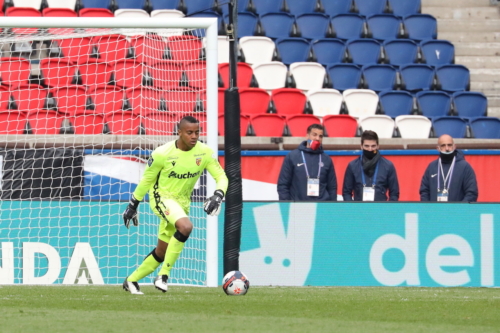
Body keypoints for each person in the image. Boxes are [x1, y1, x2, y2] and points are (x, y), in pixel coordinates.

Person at [122, 116, 228, 294]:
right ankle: (163, 276)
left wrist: (218, 195)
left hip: (182, 203)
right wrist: (133, 204)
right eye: (189, 132)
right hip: (161, 198)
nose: (194, 136)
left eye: (197, 132)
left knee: (162, 252)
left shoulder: (204, 152)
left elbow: (221, 177)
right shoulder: (162, 153)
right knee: (186, 226)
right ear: (179, 132)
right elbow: (146, 180)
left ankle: (131, 280)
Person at [277, 123, 337, 201]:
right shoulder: (292, 156)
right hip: (298, 207)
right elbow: (283, 184)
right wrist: (287, 205)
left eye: (320, 136)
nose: (317, 138)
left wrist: (331, 208)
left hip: (321, 207)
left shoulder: (326, 159)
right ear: (307, 136)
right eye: (314, 135)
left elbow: (332, 187)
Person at [342, 130, 399, 201]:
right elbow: (346, 192)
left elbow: (394, 193)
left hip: (381, 209)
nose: (370, 149)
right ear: (361, 146)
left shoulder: (388, 166)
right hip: (359, 210)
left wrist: (388, 210)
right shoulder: (352, 166)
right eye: (366, 146)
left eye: (373, 146)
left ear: (378, 146)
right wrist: (353, 209)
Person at [420, 134, 478, 202]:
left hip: (457, 211)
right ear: (438, 148)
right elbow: (424, 191)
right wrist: (429, 209)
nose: (447, 148)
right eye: (443, 145)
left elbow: (471, 193)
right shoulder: (432, 167)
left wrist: (459, 209)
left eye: (449, 145)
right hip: (435, 211)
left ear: (454, 147)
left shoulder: (465, 167)